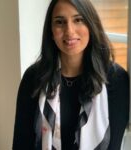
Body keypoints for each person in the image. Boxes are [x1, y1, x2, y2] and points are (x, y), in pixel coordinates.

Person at [12, 0, 129, 149]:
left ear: (91, 24)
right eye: (60, 22)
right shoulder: (34, 77)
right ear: (51, 30)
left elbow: (113, 145)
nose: (69, 31)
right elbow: (21, 144)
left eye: (78, 20)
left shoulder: (116, 79)